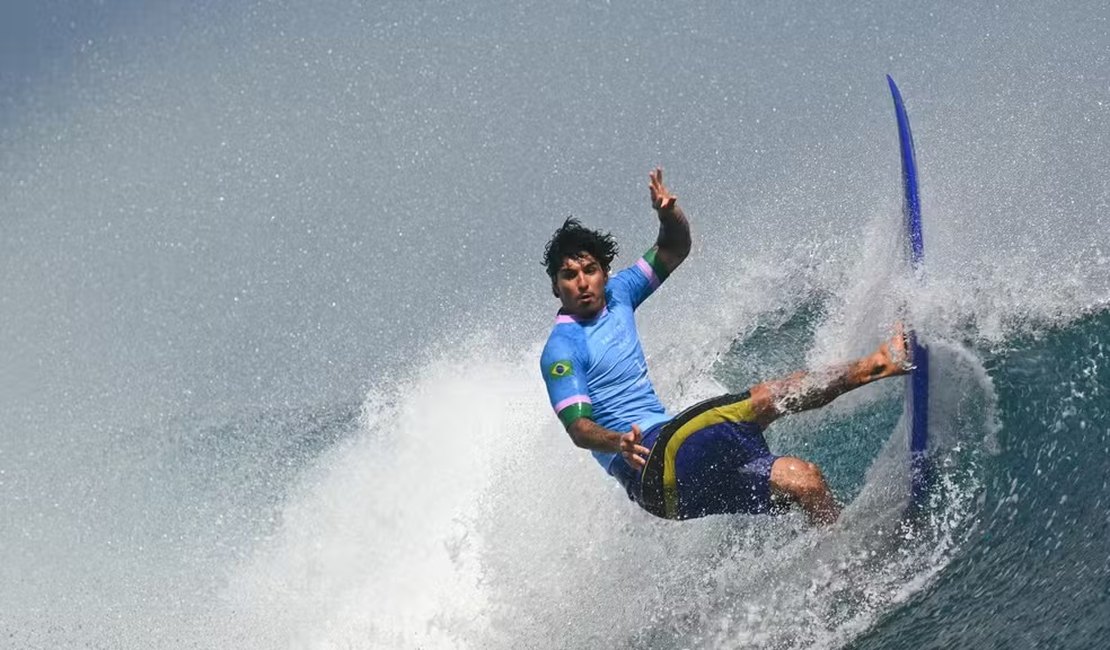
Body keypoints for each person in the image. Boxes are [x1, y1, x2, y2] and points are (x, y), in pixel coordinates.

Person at [539, 168, 909, 524]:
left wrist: (669, 215)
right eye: (569, 276)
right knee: (766, 398)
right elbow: (579, 428)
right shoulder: (562, 349)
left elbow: (674, 248)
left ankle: (846, 564)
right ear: (556, 286)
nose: (582, 282)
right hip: (653, 466)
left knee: (803, 480)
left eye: (589, 270)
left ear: (605, 273)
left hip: (679, 486)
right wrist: (617, 440)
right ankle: (881, 363)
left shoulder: (620, 293)